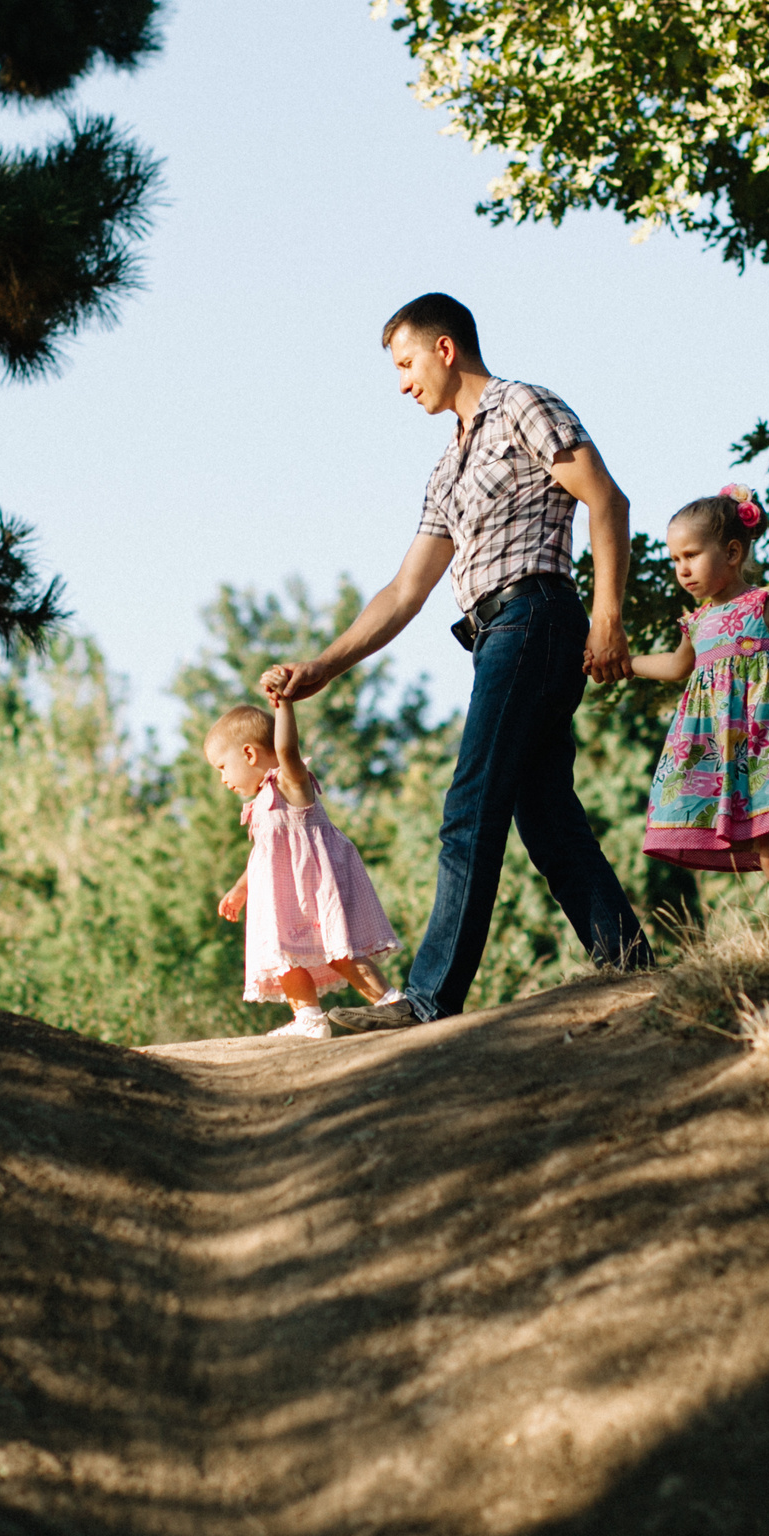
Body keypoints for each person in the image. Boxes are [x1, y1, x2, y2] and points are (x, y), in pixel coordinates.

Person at [263, 293, 652, 1036]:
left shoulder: (523, 405)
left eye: (406, 363)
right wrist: (325, 666)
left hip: (536, 616)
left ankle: (430, 998)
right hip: (495, 634)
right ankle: (631, 964)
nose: (402, 383)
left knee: (471, 806)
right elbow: (405, 591)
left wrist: (608, 617)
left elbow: (607, 499)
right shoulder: (447, 464)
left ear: (445, 349)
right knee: (547, 816)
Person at [630, 486, 769, 937]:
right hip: (727, 759)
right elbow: (675, 666)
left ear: (732, 552)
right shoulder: (696, 622)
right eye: (675, 560)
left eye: (691, 555)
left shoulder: (768, 601)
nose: (682, 569)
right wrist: (625, 664)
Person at [204, 697, 402, 1038]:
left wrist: (283, 705)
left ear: (249, 754)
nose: (222, 778)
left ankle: (392, 1003)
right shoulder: (261, 804)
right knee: (283, 957)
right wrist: (240, 889)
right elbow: (264, 855)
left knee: (341, 953)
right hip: (283, 903)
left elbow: (286, 748)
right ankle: (309, 1019)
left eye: (222, 767)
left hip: (315, 892)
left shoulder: (289, 783)